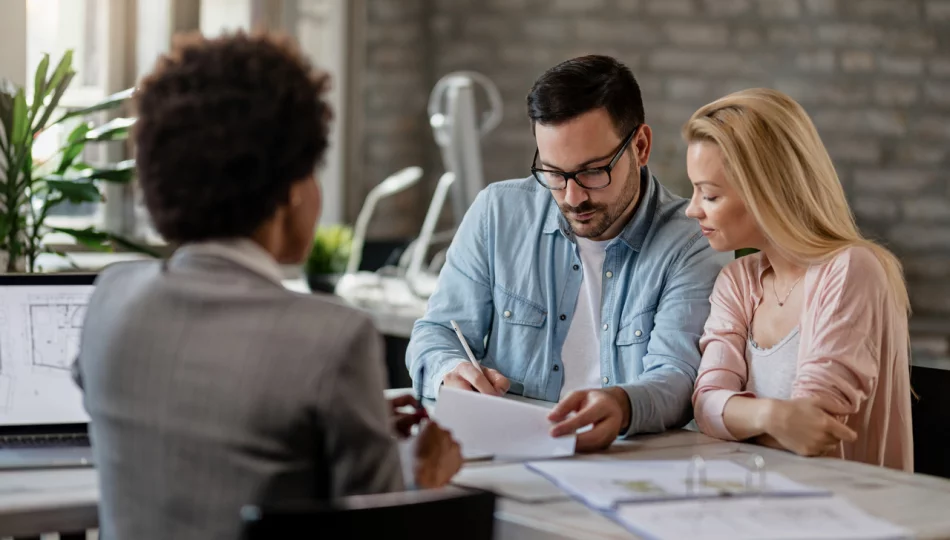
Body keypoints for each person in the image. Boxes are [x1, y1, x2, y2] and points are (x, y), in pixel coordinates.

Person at [71, 32, 462, 540]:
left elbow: (190, 409)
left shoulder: (110, 296)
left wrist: (344, 418)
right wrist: (425, 482)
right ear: (289, 192)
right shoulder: (332, 338)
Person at [406, 55, 731, 452]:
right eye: (554, 173)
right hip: (510, 454)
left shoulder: (690, 240)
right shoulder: (498, 212)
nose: (573, 197)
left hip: (628, 461)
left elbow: (678, 376)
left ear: (641, 146)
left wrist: (623, 405)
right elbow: (436, 331)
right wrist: (450, 372)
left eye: (593, 171)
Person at [684, 88, 913, 471]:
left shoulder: (852, 270)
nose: (692, 209)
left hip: (848, 514)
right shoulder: (737, 281)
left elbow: (812, 435)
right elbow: (705, 405)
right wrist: (775, 418)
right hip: (761, 504)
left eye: (709, 195)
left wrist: (737, 418)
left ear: (766, 192)